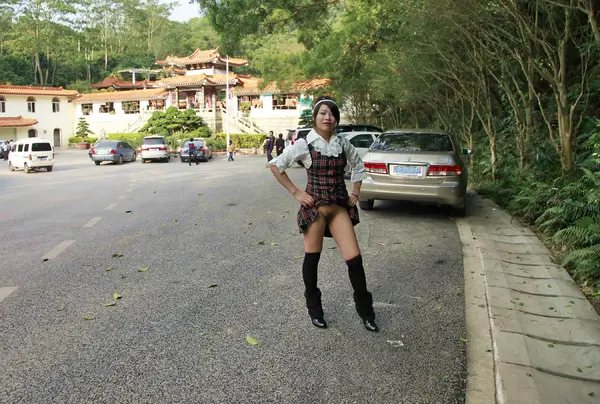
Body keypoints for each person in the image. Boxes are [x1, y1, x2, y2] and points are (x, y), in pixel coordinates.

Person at [268, 96, 378, 332]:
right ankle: (315, 310)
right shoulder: (304, 144)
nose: (328, 118)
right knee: (312, 258)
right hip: (315, 209)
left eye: (332, 114)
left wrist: (355, 193)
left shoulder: (342, 143)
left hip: (338, 209)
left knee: (355, 259)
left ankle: (366, 312)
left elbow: (358, 166)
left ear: (336, 118)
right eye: (323, 113)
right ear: (315, 117)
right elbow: (276, 165)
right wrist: (296, 192)